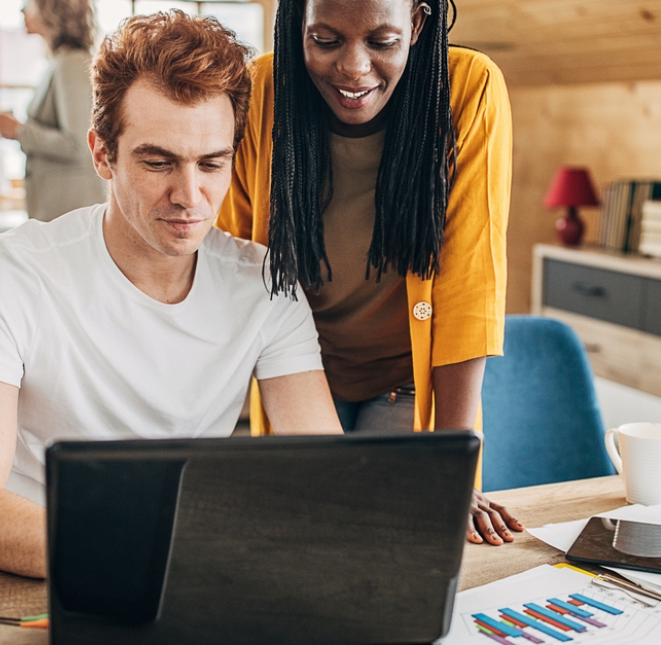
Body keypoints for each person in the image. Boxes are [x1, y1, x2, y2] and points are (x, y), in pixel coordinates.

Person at [0, 11, 343, 579]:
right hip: (36, 572)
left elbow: (328, 479)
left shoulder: (266, 286)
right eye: (159, 162)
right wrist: (157, 550)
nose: (190, 196)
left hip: (181, 573)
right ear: (102, 154)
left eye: (211, 164)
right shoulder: (13, 273)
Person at [217, 0, 523, 546]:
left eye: (382, 42)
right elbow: (231, 265)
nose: (353, 69)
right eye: (326, 40)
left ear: (419, 24)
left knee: (404, 533)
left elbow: (469, 283)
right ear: (296, 27)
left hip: (406, 377)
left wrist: (449, 464)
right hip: (300, 372)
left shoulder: (467, 88)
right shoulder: (261, 90)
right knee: (308, 538)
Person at [0, 0, 107, 222]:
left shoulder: (71, 63)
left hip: (70, 215)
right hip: (60, 213)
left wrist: (18, 130)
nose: (22, 9)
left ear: (52, 8)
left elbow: (79, 144)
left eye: (29, 3)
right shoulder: (59, 62)